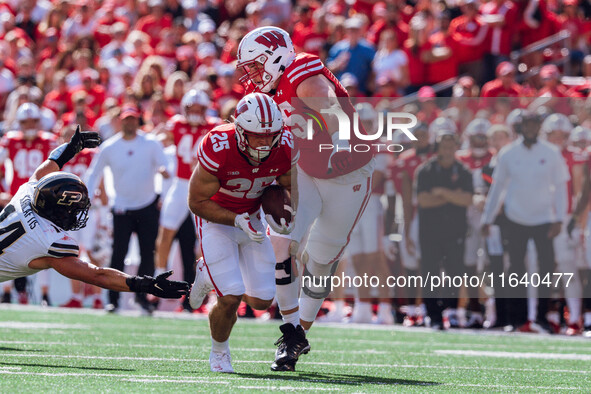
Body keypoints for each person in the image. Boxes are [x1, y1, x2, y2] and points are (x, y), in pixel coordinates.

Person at [237, 26, 374, 371]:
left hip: (348, 172)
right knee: (281, 244)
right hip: (307, 172)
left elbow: (330, 106)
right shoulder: (266, 93)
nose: (252, 77)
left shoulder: (300, 70)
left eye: (255, 67)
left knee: (322, 259)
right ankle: (292, 335)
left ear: (275, 57)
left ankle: (300, 330)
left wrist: (341, 141)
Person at [0, 125, 188, 301]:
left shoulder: (28, 192)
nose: (74, 214)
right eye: (71, 209)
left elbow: (50, 164)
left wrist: (69, 148)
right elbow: (98, 275)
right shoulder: (49, 241)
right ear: (57, 209)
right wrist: (145, 284)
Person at [187, 93, 296, 373]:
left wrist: (289, 211)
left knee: (261, 301)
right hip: (217, 217)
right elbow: (196, 202)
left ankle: (208, 273)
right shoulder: (218, 145)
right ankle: (220, 351)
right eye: (257, 135)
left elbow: (290, 186)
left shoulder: (284, 146)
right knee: (232, 295)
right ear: (239, 130)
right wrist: (236, 220)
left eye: (270, 135)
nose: (264, 141)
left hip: (253, 218)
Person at [481, 111, 569, 332]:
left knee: (546, 267)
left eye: (534, 125)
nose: (530, 129)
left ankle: (541, 317)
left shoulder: (551, 153)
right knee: (515, 269)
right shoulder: (508, 153)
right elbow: (497, 188)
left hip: (544, 218)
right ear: (520, 127)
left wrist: (559, 218)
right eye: (526, 125)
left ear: (539, 127)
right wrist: (487, 218)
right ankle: (517, 318)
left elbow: (560, 187)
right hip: (515, 217)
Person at [85, 104, 171, 313]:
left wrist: (163, 182)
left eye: (133, 119)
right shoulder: (110, 147)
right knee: (118, 255)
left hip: (147, 204)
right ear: (120, 121)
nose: (130, 123)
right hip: (122, 206)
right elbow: (93, 173)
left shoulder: (150, 143)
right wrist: (86, 196)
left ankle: (142, 298)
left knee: (147, 254)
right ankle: (113, 299)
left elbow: (167, 167)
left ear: (138, 121)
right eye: (126, 119)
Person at [154, 89, 218, 311]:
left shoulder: (213, 126)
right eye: (193, 109)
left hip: (202, 186)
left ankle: (208, 288)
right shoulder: (176, 124)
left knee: (207, 240)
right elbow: (159, 141)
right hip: (180, 184)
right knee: (165, 232)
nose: (197, 113)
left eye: (200, 109)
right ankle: (157, 280)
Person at [415, 123, 474, 330]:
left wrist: (440, 192)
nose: (447, 150)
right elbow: (423, 200)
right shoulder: (426, 170)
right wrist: (452, 196)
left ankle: (450, 312)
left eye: (451, 146)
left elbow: (467, 199)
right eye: (444, 146)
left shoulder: (464, 171)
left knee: (454, 272)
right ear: (437, 147)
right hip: (430, 230)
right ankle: (433, 314)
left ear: (456, 147)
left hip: (455, 230)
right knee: (430, 272)